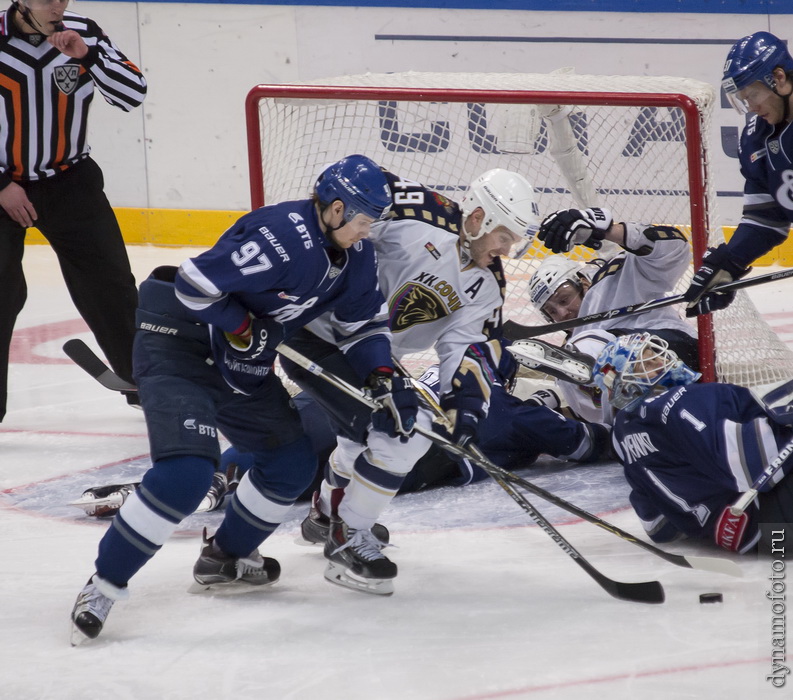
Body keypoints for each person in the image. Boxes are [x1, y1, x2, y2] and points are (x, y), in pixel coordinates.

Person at [69, 154, 416, 644]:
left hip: (240, 361)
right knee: (187, 475)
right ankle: (103, 585)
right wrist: (240, 326)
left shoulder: (355, 257)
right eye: (362, 221)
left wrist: (379, 373)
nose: (366, 232)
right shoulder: (283, 235)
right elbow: (194, 283)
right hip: (179, 342)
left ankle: (225, 558)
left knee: (292, 462)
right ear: (336, 209)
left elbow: (362, 325)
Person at [281, 168, 590, 594]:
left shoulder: (486, 286)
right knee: (403, 435)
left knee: (359, 442)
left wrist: (464, 413)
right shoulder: (416, 213)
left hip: (373, 356)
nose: (507, 249)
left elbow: (462, 352)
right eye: (505, 235)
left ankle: (324, 518)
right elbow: (346, 218)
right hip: (318, 334)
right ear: (479, 218)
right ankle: (347, 534)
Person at [0, 0, 148, 420]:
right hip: (1, 188)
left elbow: (132, 95)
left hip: (71, 181)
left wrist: (89, 55)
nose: (58, 5)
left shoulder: (85, 31)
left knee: (112, 287)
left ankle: (148, 387)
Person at [591, 332, 793, 555]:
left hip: (755, 540)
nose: (662, 361)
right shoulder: (680, 400)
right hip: (780, 520)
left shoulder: (622, 433)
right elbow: (755, 465)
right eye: (647, 362)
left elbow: (659, 528)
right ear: (627, 385)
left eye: (657, 355)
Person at [527, 207, 697, 424]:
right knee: (572, 377)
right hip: (654, 406)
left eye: (564, 299)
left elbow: (675, 249)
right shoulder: (569, 358)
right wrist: (544, 410)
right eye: (551, 311)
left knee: (590, 346)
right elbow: (591, 412)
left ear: (583, 281)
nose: (562, 313)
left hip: (677, 355)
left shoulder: (614, 278)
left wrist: (608, 231)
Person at [684, 31, 793, 315]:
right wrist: (730, 263)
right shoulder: (756, 139)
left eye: (753, 93)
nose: (752, 107)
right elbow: (766, 218)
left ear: (779, 78)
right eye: (744, 98)